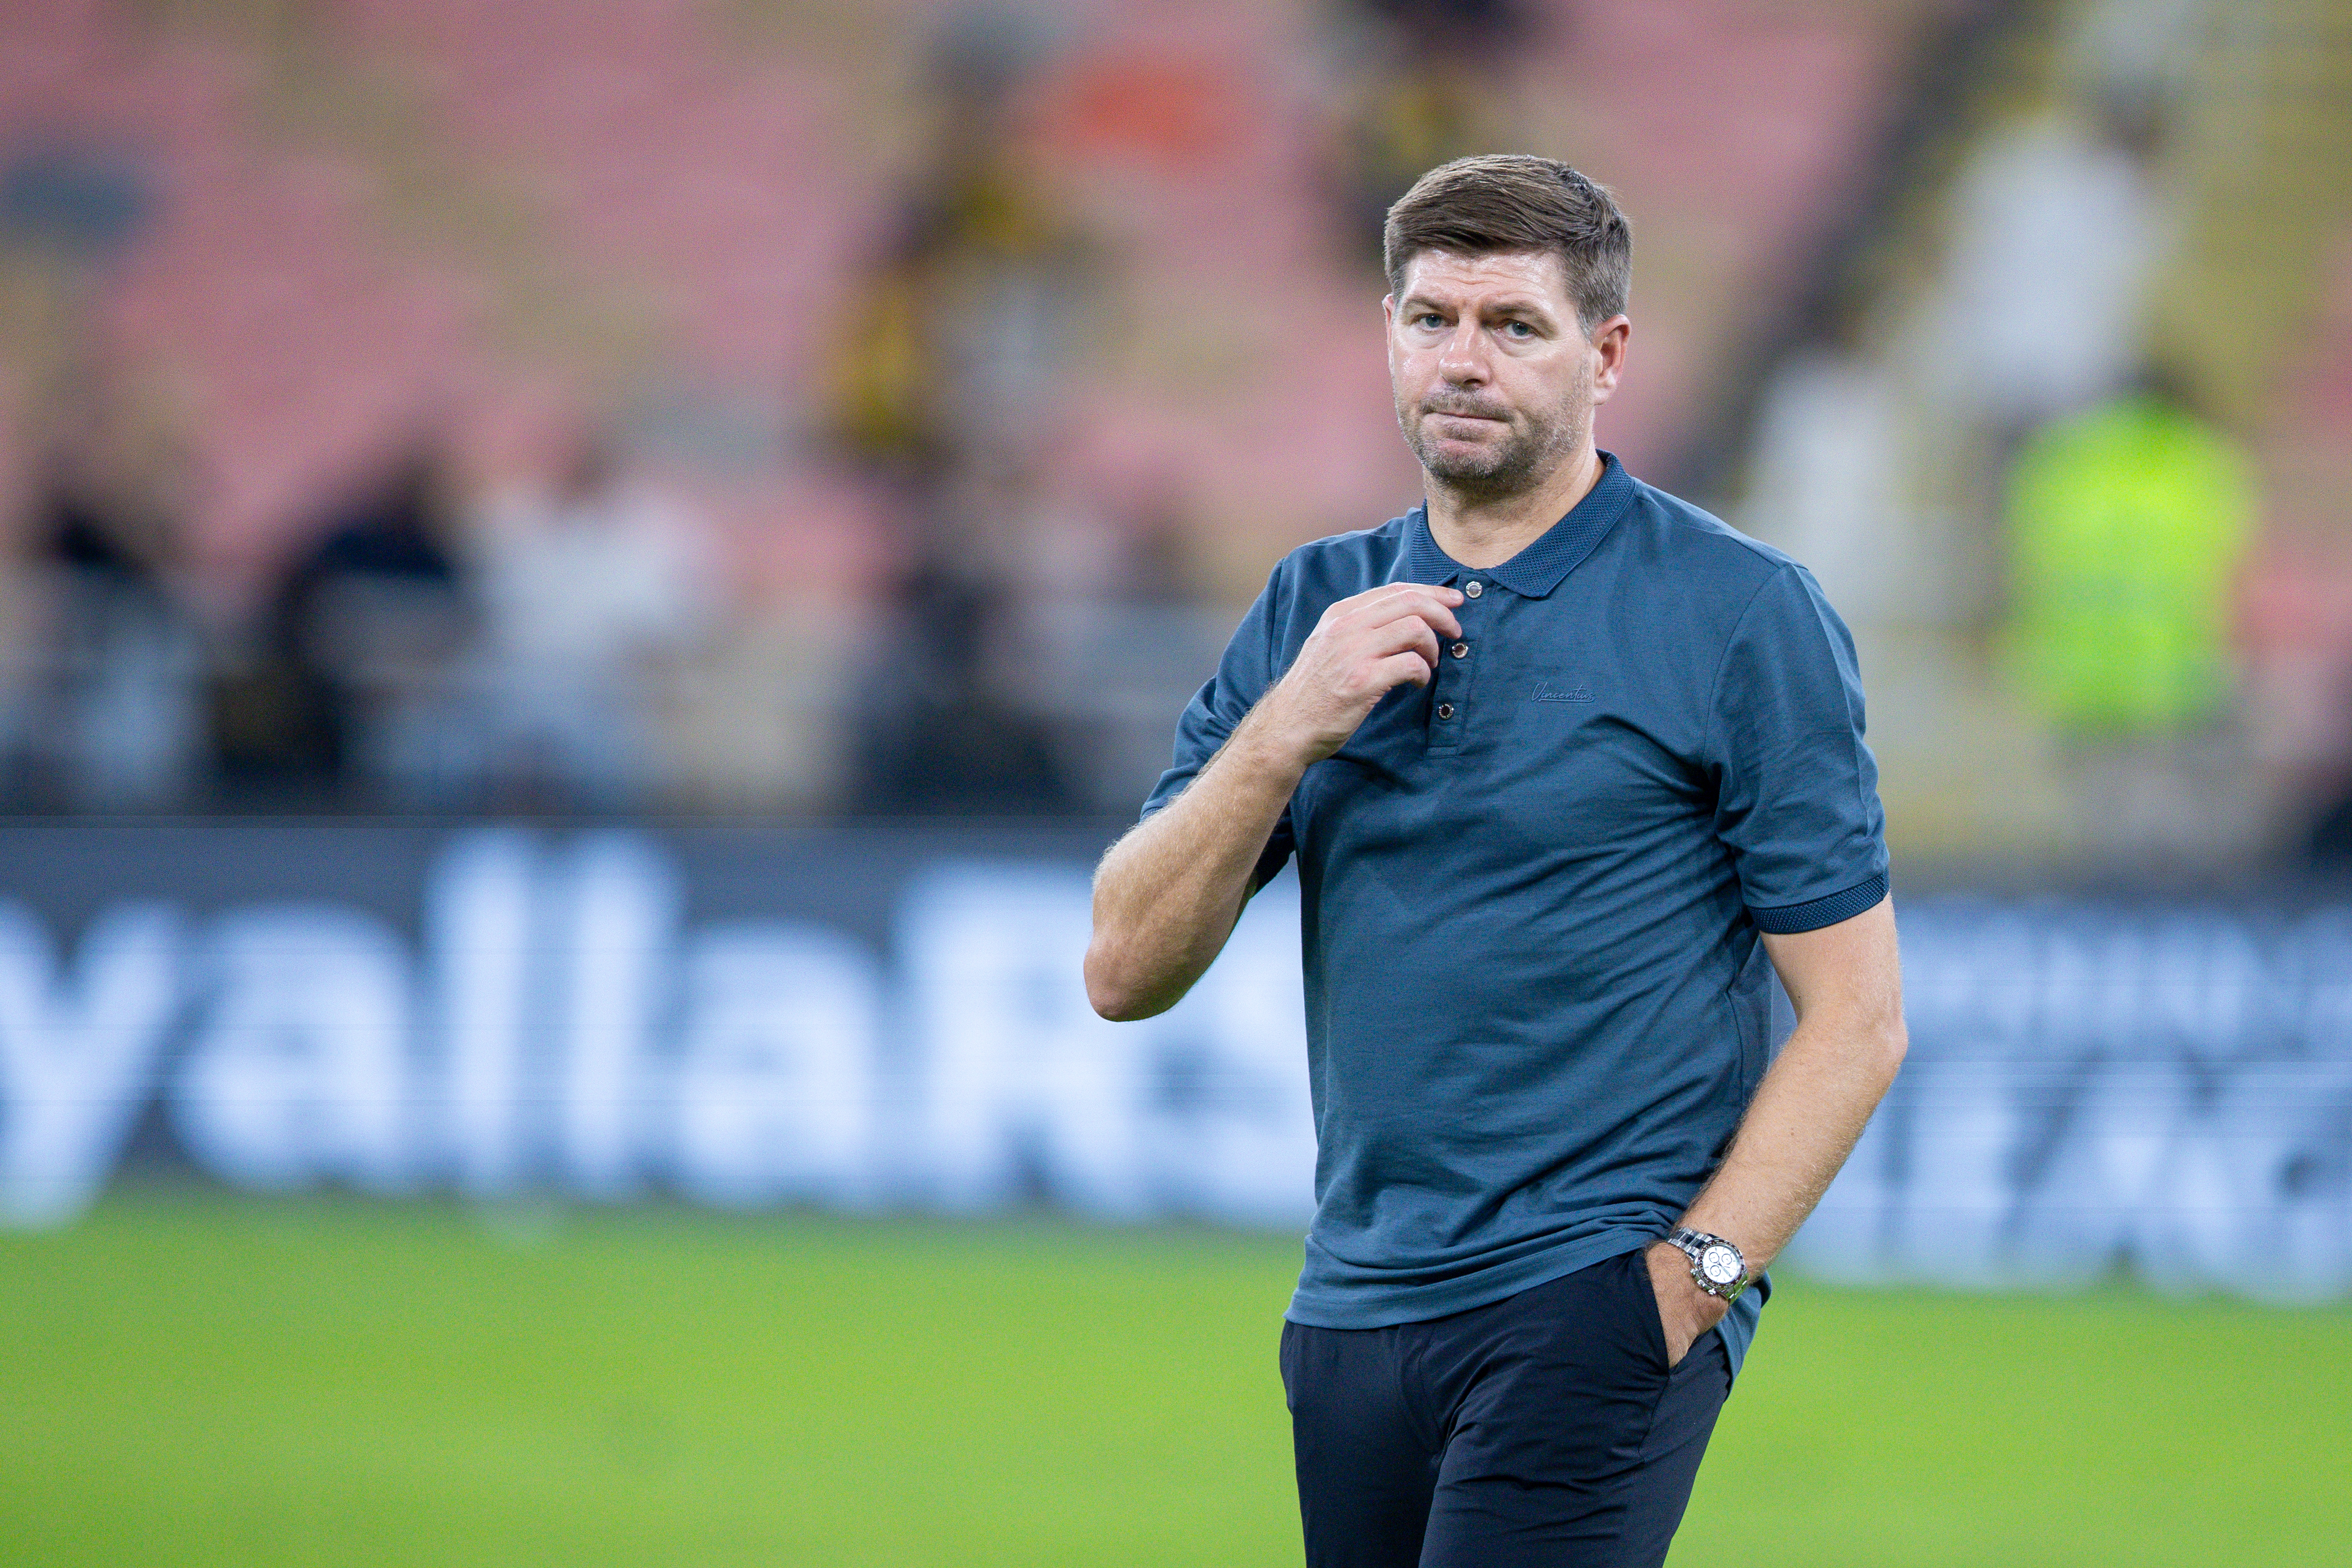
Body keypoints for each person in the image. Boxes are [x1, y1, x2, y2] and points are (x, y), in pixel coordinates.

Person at [1085, 155, 1906, 1566]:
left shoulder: (1737, 612)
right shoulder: (1312, 606)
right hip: (1349, 1304)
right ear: (1386, 336)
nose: (1462, 359)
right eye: (1430, 319)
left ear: (1607, 355)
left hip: (1589, 1294)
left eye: (1513, 325)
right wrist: (1288, 725)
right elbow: (1119, 968)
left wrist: (1693, 1281)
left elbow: (1859, 1016)